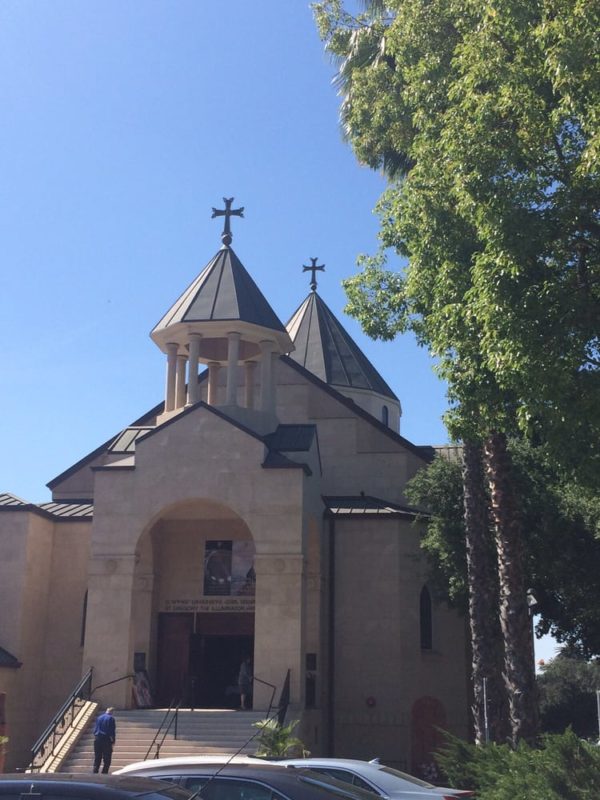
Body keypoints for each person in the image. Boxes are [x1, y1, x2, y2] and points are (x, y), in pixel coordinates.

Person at [93, 706, 116, 773]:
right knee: (107, 758)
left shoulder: (99, 717)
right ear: (112, 712)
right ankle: (104, 772)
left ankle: (95, 771)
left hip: (97, 739)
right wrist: (113, 741)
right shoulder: (111, 718)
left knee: (97, 757)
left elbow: (96, 728)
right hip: (106, 739)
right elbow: (112, 731)